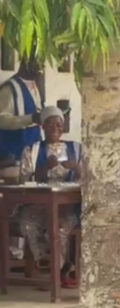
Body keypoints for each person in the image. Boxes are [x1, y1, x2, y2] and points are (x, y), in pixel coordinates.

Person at [16, 106, 80, 289]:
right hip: (39, 204)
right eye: (50, 125)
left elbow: (91, 178)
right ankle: (48, 264)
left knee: (58, 227)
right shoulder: (33, 150)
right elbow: (24, 181)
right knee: (28, 222)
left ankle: (57, 271)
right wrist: (43, 169)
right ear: (42, 127)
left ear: (63, 127)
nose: (55, 129)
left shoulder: (76, 149)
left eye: (59, 125)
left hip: (68, 206)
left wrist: (77, 168)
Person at [0, 57, 44, 168]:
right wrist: (30, 118)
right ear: (25, 63)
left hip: (32, 154)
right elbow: (1, 120)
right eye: (36, 63)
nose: (40, 67)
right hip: (12, 156)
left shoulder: (35, 86)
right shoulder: (10, 88)